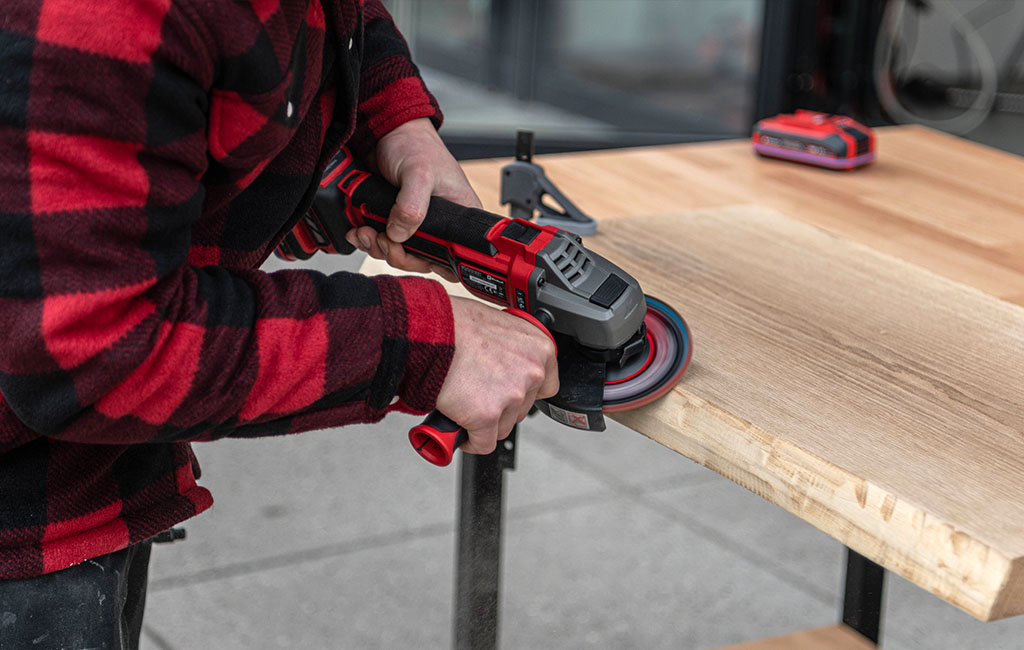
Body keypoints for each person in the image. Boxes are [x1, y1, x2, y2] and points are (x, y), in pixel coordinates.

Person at [0, 1, 558, 647]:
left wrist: (396, 119)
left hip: (102, 467)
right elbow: (94, 358)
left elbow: (346, 15)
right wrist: (418, 341)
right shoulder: (93, 15)